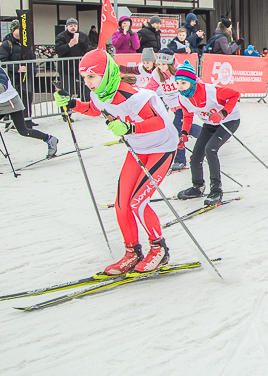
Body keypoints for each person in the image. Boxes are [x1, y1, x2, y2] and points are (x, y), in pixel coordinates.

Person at [54, 49, 177, 275]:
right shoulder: (100, 94)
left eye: (92, 76)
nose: (88, 82)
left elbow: (158, 122)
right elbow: (95, 109)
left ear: (105, 73)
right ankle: (132, 252)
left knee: (137, 203)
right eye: (84, 78)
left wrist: (130, 127)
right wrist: (73, 104)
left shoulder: (131, 95)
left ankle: (159, 250)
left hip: (162, 148)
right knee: (121, 204)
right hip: (138, 149)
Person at [172, 60, 241, 205]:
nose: (179, 87)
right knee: (196, 155)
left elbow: (235, 95)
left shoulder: (211, 90)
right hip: (209, 123)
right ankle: (198, 186)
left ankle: (216, 190)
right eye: (177, 83)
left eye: (183, 83)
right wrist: (184, 133)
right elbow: (188, 115)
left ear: (191, 82)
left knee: (210, 149)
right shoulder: (183, 97)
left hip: (228, 121)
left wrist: (222, 113)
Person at [151, 52, 188, 171]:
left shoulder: (180, 70)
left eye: (164, 64)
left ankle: (180, 160)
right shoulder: (157, 73)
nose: (161, 67)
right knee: (187, 128)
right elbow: (150, 87)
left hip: (184, 103)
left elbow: (194, 81)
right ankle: (208, 135)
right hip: (173, 105)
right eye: (159, 64)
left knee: (177, 130)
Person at [0, 19, 35, 126]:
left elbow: (32, 59)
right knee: (12, 100)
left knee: (27, 97)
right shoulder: (6, 44)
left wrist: (33, 71)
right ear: (13, 30)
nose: (20, 31)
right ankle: (10, 121)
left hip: (26, 77)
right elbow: (2, 61)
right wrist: (17, 68)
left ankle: (27, 120)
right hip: (12, 77)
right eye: (18, 29)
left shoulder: (26, 43)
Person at [55, 18, 93, 100]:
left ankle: (86, 104)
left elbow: (90, 49)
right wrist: (69, 45)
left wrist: (83, 44)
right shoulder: (61, 36)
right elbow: (58, 50)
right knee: (67, 89)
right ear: (67, 26)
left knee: (86, 86)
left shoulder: (83, 35)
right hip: (66, 68)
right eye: (71, 26)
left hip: (81, 66)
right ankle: (66, 109)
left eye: (75, 26)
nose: (73, 27)